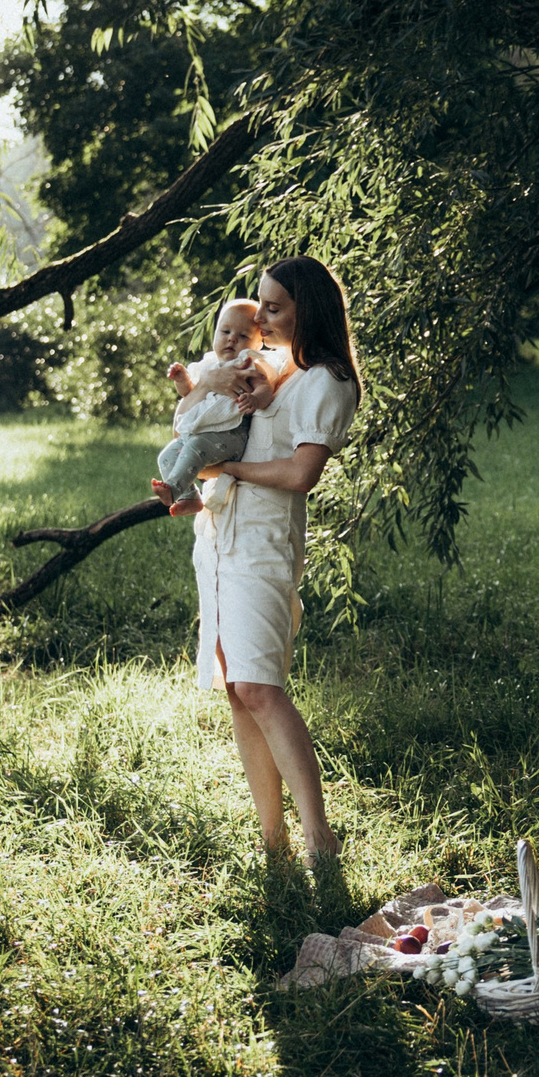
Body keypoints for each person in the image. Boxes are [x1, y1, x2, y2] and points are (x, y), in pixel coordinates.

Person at [191, 257, 361, 867]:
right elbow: (233, 437)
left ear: (307, 309)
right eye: (260, 304)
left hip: (263, 546)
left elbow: (299, 473)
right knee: (239, 690)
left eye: (273, 307)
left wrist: (230, 469)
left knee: (262, 687)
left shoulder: (326, 381)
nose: (258, 317)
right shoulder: (280, 368)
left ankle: (320, 840)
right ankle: (273, 843)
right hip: (221, 537)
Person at [150, 299, 274, 516]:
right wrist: (181, 379)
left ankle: (173, 491)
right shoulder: (207, 365)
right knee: (166, 456)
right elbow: (190, 393)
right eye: (225, 331)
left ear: (256, 345)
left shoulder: (248, 365)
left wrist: (255, 399)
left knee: (195, 447)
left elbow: (265, 388)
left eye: (243, 336)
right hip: (200, 434)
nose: (232, 338)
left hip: (231, 436)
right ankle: (190, 497)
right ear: (215, 334)